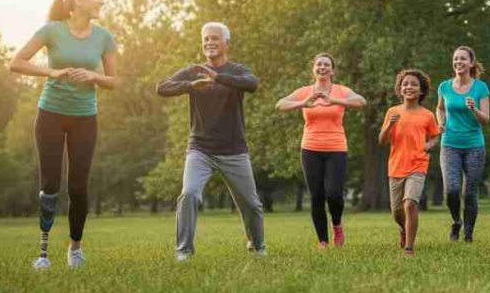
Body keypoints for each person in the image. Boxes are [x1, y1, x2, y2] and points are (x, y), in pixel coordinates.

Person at [8, 0, 118, 270]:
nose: (101, 1)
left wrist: (94, 77)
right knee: (50, 185)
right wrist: (51, 72)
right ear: (78, 0)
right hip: (51, 115)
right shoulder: (51, 30)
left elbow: (115, 80)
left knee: (79, 187)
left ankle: (75, 248)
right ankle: (43, 252)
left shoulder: (104, 37)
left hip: (85, 117)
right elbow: (16, 62)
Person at [156, 22, 265, 261]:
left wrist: (220, 78)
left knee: (251, 204)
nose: (209, 42)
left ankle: (257, 245)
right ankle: (184, 250)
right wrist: (190, 85)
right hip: (200, 149)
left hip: (234, 150)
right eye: (206, 39)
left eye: (215, 38)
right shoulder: (193, 71)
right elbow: (162, 87)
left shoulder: (237, 70)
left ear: (226, 43)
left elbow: (253, 83)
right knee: (190, 194)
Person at [276, 53, 366, 248]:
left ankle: (337, 225)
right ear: (314, 69)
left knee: (334, 194)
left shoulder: (341, 91)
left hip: (336, 149)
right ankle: (323, 241)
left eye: (326, 64)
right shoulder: (305, 91)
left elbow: (361, 102)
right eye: (319, 64)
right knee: (316, 195)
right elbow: (280, 104)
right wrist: (302, 103)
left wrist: (336, 101)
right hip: (310, 149)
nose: (322, 67)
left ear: (332, 70)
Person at [379, 69, 441, 257]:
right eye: (405, 84)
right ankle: (404, 230)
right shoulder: (392, 112)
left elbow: (435, 136)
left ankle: (409, 248)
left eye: (414, 84)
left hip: (418, 164)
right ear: (400, 89)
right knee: (397, 212)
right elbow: (381, 141)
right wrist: (390, 125)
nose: (409, 87)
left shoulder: (427, 115)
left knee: (410, 204)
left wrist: (429, 144)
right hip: (396, 166)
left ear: (421, 91)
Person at [436, 46, 490, 242]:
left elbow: (485, 119)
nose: (458, 62)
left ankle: (468, 234)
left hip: (474, 145)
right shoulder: (444, 87)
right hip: (449, 144)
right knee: (451, 190)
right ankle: (456, 221)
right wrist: (440, 122)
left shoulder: (480, 88)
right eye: (455, 59)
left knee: (469, 193)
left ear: (471, 63)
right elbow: (440, 108)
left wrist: (474, 108)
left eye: (462, 59)